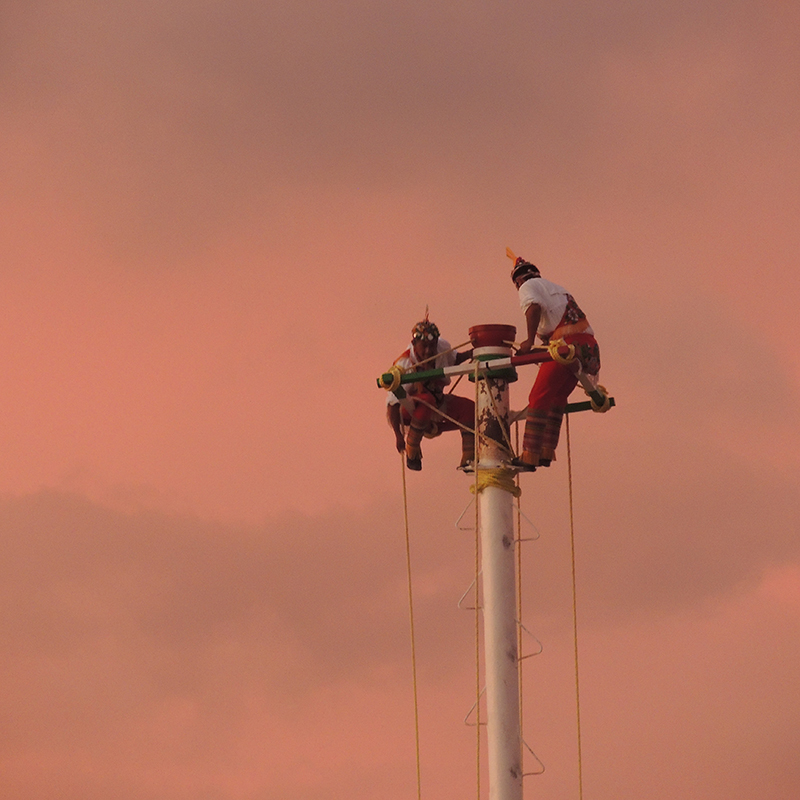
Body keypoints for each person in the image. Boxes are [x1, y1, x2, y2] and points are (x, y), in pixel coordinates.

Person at [509, 253, 601, 469]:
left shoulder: (527, 287)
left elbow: (533, 308)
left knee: (538, 396)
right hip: (587, 348)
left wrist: (529, 342)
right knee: (557, 398)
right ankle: (546, 451)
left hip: (565, 346)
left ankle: (530, 453)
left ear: (519, 281)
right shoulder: (559, 289)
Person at [386, 316, 475, 472]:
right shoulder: (405, 364)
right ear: (414, 344)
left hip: (436, 404)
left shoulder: (442, 347)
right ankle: (412, 450)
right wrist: (398, 435)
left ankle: (469, 458)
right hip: (412, 410)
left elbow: (453, 360)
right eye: (424, 347)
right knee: (427, 400)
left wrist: (473, 352)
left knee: (470, 409)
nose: (428, 351)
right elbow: (392, 404)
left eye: (431, 346)